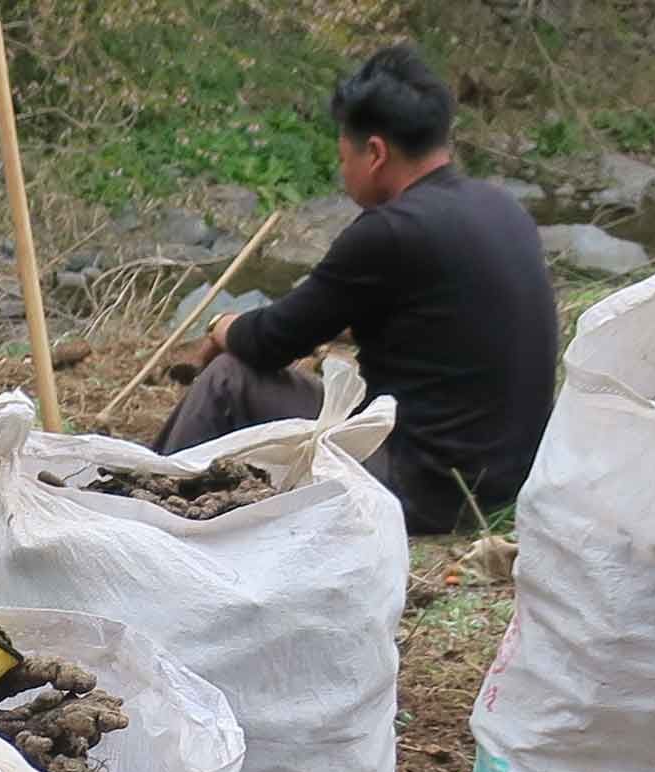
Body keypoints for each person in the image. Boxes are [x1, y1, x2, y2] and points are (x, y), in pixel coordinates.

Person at [156, 44, 558, 535]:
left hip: (424, 492)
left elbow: (270, 341)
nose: (342, 171)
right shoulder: (503, 208)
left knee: (230, 377)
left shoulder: (388, 231)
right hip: (508, 482)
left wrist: (222, 326)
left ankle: (146, 511)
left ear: (375, 153)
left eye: (343, 156)